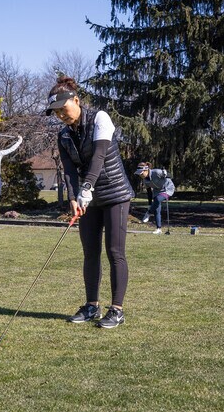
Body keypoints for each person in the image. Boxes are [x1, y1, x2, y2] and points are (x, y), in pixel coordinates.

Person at [46, 76, 134, 329]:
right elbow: (70, 171)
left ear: (76, 100)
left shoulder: (100, 119)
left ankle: (116, 310)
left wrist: (87, 187)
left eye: (64, 109)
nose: (61, 115)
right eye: (56, 113)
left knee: (115, 252)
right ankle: (91, 306)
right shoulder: (63, 136)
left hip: (115, 194)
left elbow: (98, 156)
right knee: (90, 253)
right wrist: (74, 197)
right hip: (88, 198)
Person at [135, 162, 175, 234]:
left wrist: (166, 173)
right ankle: (158, 229)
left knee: (158, 199)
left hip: (168, 189)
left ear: (146, 170)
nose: (140, 175)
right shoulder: (145, 181)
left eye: (141, 173)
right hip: (157, 191)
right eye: (139, 174)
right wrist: (150, 204)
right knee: (156, 210)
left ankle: (149, 213)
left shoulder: (156, 172)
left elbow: (170, 175)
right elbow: (149, 193)